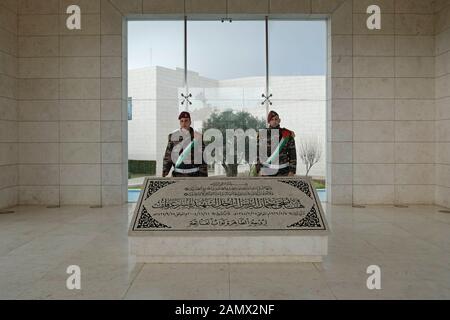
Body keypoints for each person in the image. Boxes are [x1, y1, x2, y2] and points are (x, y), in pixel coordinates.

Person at [162, 111, 208, 177]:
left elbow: (203, 158)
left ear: (190, 122)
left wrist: (204, 176)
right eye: (182, 121)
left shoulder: (197, 137)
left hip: (194, 175)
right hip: (178, 175)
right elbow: (168, 156)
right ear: (180, 122)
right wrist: (164, 173)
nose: (184, 123)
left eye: (186, 121)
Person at [256, 110, 297, 177]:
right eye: (272, 119)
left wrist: (292, 171)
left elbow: (293, 154)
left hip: (284, 171)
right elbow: (257, 153)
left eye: (276, 119)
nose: (274, 121)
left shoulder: (286, 134)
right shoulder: (262, 134)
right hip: (267, 170)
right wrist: (259, 169)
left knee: (283, 187)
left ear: (279, 120)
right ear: (268, 121)